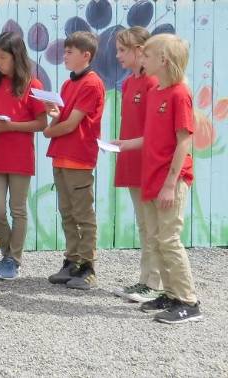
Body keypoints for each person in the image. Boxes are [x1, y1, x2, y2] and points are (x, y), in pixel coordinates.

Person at [113, 34, 203, 324]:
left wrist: (169, 184)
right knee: (156, 238)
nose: (143, 60)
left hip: (169, 181)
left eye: (148, 56)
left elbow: (184, 142)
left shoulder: (179, 94)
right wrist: (129, 144)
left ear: (163, 60)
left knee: (169, 238)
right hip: (151, 177)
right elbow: (153, 136)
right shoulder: (157, 93)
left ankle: (189, 301)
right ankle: (170, 293)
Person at [0, 31, 47, 280]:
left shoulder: (33, 85)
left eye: (2, 57)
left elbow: (41, 123)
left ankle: (13, 260)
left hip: (20, 157)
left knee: (17, 209)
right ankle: (8, 255)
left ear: (16, 57)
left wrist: (11, 126)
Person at [43, 31, 105, 290]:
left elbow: (72, 125)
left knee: (83, 214)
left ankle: (88, 266)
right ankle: (71, 261)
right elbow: (62, 119)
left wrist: (48, 131)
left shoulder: (91, 83)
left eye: (69, 52)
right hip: (61, 157)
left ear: (85, 55)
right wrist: (53, 116)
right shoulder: (68, 85)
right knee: (67, 213)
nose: (64, 56)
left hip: (78, 158)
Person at [111, 26, 162, 303]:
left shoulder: (153, 83)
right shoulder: (129, 82)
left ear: (139, 51)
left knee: (153, 226)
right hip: (131, 159)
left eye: (122, 50)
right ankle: (146, 280)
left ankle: (153, 283)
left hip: (148, 162)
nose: (117, 55)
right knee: (144, 224)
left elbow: (157, 130)